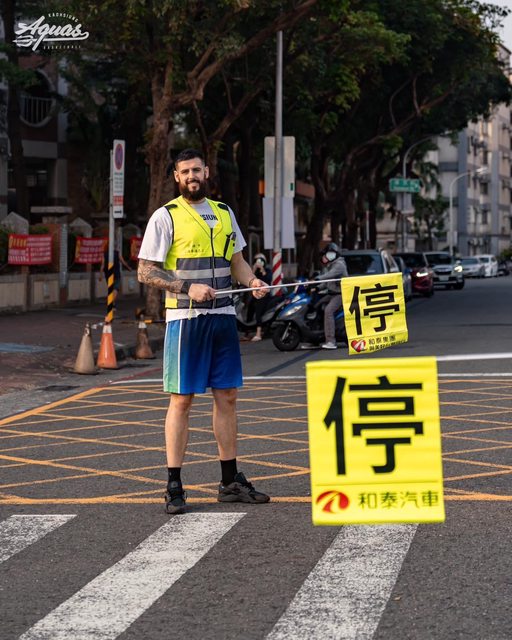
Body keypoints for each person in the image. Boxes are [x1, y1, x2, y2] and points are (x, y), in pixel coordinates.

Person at [137, 148, 271, 514]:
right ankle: (174, 485)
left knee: (227, 397)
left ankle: (230, 482)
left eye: (196, 169)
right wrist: (186, 287)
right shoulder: (166, 216)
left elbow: (237, 262)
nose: (191, 176)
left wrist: (252, 282)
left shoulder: (224, 213)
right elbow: (145, 271)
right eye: (184, 172)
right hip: (186, 319)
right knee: (182, 400)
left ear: (206, 171)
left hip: (223, 316)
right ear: (176, 177)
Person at [314, 242, 348, 350]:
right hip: (332, 294)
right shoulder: (331, 265)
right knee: (316, 306)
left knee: (328, 311)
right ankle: (315, 339)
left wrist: (318, 279)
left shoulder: (339, 265)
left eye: (331, 252)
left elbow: (329, 276)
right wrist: (317, 288)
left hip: (340, 294)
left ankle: (331, 341)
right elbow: (328, 283)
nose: (329, 255)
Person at [249, 253, 272, 341]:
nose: (258, 262)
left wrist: (262, 269)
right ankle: (248, 331)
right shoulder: (255, 271)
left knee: (258, 312)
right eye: (256, 260)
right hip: (255, 294)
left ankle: (258, 333)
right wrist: (254, 269)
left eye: (260, 260)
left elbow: (268, 279)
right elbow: (249, 279)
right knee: (250, 309)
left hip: (264, 296)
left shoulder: (267, 270)